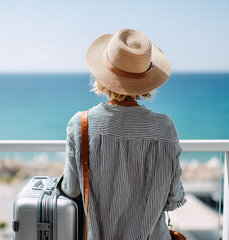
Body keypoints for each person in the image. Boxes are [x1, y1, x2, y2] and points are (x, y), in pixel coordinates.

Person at [61, 28, 186, 240]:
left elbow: (71, 189)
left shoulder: (80, 124)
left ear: (101, 75)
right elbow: (173, 200)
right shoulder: (165, 127)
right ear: (146, 81)